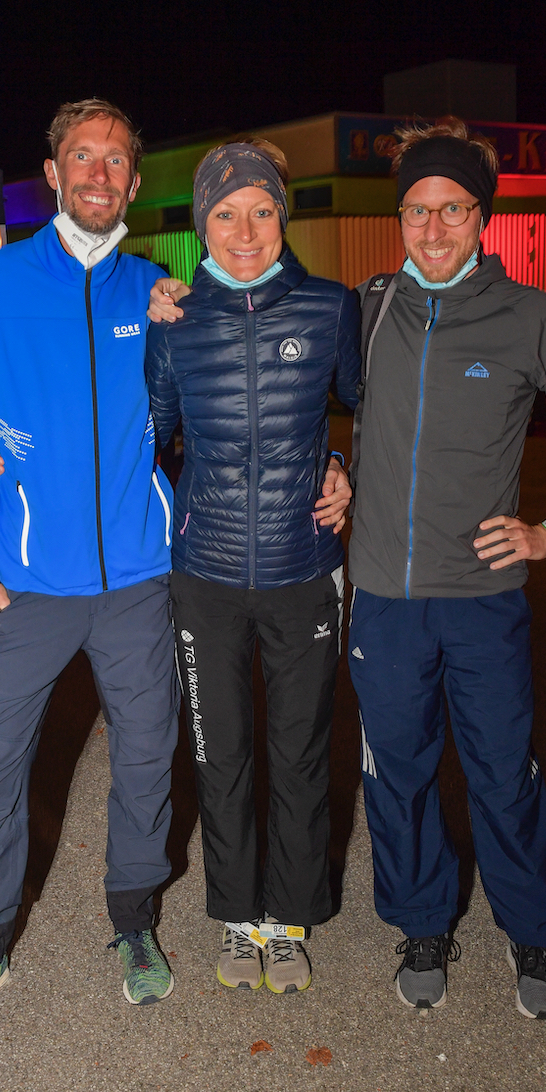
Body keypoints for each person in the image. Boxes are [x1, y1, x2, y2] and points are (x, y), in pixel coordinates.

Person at [347, 117, 546, 1019]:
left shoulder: (528, 317)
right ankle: (421, 920)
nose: (432, 230)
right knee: (396, 772)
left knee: (502, 771)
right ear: (397, 219)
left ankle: (536, 933)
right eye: (415, 211)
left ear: (482, 217)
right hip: (383, 599)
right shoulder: (368, 308)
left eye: (451, 210)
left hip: (483, 599)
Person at [0, 99, 179, 1040]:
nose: (101, 174)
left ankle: (135, 925)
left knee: (149, 759)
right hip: (23, 584)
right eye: (84, 157)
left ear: (134, 183)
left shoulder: (153, 291)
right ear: (54, 171)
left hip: (141, 581)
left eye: (117, 161)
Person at [144, 140, 360, 993]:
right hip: (205, 573)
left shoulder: (330, 307)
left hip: (305, 565)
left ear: (283, 217)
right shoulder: (175, 319)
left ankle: (287, 919)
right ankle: (239, 918)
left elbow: (373, 411)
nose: (245, 230)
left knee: (302, 748)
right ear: (203, 224)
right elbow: (150, 440)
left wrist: (347, 471)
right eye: (226, 213)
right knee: (220, 750)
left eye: (262, 210)